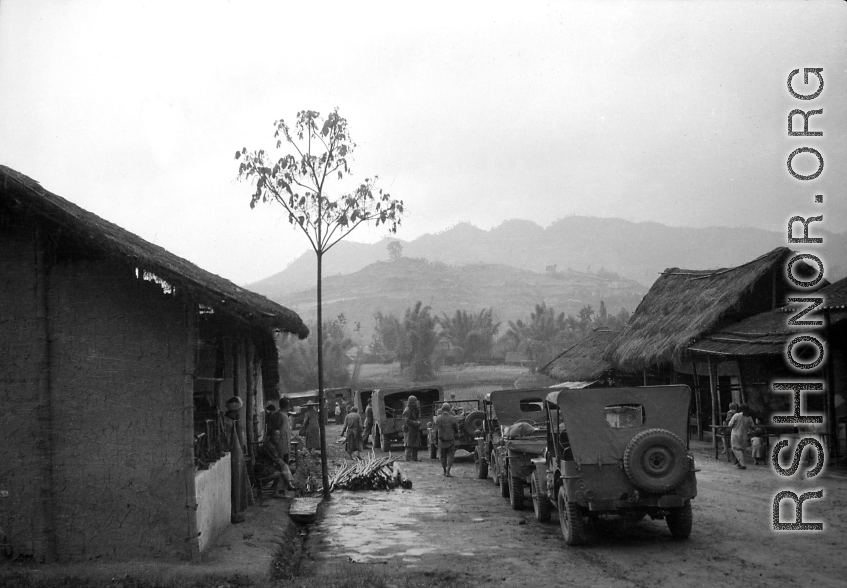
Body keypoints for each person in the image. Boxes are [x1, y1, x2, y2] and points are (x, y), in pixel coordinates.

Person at [223, 396, 250, 523]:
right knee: (234, 485)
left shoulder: (230, 422)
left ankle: (236, 511)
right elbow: (227, 443)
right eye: (238, 411)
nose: (239, 413)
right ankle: (233, 513)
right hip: (233, 458)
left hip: (236, 457)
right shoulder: (227, 423)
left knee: (237, 483)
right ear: (234, 411)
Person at [255, 429, 297, 497]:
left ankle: (283, 487)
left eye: (278, 435)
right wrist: (284, 465)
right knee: (282, 473)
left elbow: (277, 459)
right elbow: (276, 459)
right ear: (270, 436)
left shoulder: (271, 444)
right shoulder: (268, 446)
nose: (277, 437)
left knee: (284, 469)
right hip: (263, 469)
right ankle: (280, 491)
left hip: (267, 467)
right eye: (275, 435)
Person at [434, 402, 460, 476]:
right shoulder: (453, 418)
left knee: (442, 456)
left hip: (441, 440)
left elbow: (435, 430)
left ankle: (444, 470)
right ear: (449, 409)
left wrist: (435, 441)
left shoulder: (438, 418)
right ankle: (448, 470)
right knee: (450, 455)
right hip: (450, 440)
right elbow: (456, 428)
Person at [727, 403, 753, 469]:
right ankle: (739, 462)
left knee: (736, 449)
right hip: (744, 435)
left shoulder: (737, 415)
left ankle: (742, 464)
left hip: (735, 433)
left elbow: (730, 424)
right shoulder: (749, 417)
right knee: (742, 449)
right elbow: (752, 426)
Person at [268, 397, 292, 463]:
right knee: (283, 465)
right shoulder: (284, 417)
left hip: (274, 445)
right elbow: (283, 431)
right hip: (283, 445)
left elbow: (269, 428)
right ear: (287, 406)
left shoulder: (274, 415)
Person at [402, 395, 422, 462]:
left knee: (415, 445)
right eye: (414, 402)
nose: (416, 403)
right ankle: (407, 459)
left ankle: (414, 458)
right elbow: (406, 420)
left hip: (414, 429)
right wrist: (416, 423)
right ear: (411, 402)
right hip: (409, 430)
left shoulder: (413, 409)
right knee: (409, 445)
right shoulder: (407, 410)